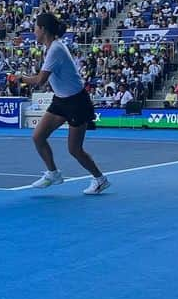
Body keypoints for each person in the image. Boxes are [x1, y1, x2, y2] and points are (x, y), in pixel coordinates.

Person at [18, 12, 109, 195]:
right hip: (61, 100)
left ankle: (100, 179)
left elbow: (40, 81)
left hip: (76, 102)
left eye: (35, 27)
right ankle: (53, 173)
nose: (33, 30)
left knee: (75, 150)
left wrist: (20, 78)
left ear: (43, 29)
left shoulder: (56, 49)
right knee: (38, 136)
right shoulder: (50, 47)